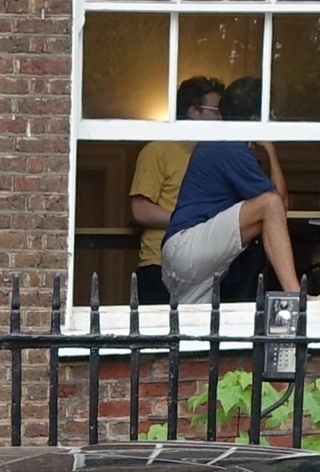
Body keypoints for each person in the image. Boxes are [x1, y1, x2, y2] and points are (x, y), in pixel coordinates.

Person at [158, 75, 302, 306]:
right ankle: (296, 298)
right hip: (189, 247)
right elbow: (278, 204)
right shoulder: (230, 146)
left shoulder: (222, 142)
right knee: (269, 205)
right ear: (256, 119)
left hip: (184, 254)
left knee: (192, 333)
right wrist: (271, 150)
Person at [128, 76, 222, 306]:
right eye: (216, 110)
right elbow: (140, 210)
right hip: (158, 266)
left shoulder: (217, 154)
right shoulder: (157, 150)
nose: (221, 118)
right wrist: (190, 221)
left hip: (205, 268)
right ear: (193, 111)